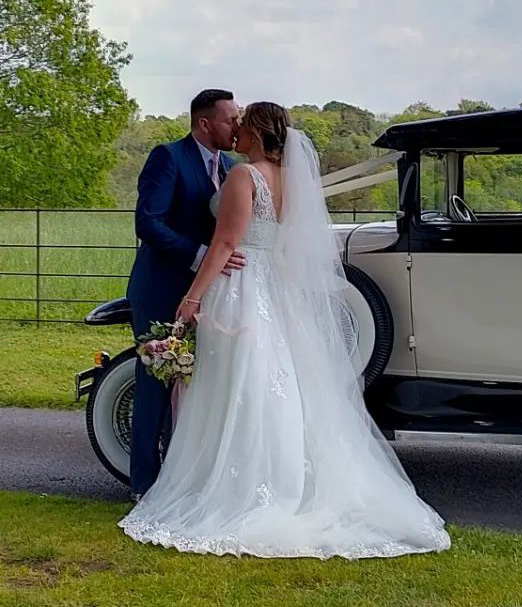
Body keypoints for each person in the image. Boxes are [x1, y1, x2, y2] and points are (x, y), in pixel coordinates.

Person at [118, 102, 450, 559]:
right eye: (229, 119)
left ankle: (232, 486)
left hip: (239, 285)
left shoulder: (242, 175)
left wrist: (193, 298)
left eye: (241, 122)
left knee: (235, 382)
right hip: (273, 287)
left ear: (255, 131)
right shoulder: (291, 180)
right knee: (275, 383)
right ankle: (280, 478)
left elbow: (227, 243)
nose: (235, 129)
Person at [126, 89, 246, 498]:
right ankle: (143, 484)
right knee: (156, 382)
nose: (238, 126)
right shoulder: (168, 157)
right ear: (204, 123)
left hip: (209, 294)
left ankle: (185, 480)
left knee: (200, 387)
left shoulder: (233, 167)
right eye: (231, 119)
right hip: (162, 287)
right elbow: (149, 222)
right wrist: (199, 255)